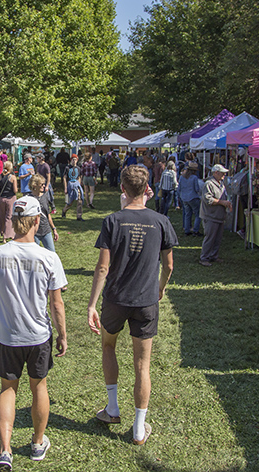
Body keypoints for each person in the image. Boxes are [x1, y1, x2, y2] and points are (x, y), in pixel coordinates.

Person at [86, 165, 176, 446]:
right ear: (147, 188)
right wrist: (160, 288)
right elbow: (169, 265)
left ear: (122, 189)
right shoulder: (161, 221)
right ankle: (138, 428)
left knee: (108, 347)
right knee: (142, 364)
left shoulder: (113, 220)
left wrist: (91, 304)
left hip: (115, 299)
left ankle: (112, 408)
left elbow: (103, 268)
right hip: (146, 300)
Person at [0, 196, 67, 471]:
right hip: (38, 336)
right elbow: (56, 303)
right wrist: (63, 335)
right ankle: (37, 442)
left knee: (8, 389)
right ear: (37, 221)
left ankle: (5, 450)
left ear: (14, 221)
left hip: (7, 336)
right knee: (38, 387)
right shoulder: (49, 257)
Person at [198, 164, 232, 266]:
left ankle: (213, 256)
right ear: (215, 173)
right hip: (210, 215)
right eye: (222, 173)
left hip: (219, 215)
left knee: (217, 238)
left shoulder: (221, 184)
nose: (224, 175)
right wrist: (222, 202)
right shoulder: (209, 184)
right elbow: (208, 199)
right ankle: (204, 258)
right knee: (210, 238)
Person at [29, 174, 58, 252]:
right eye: (41, 184)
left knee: (52, 254)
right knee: (34, 256)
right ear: (35, 185)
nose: (44, 186)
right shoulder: (29, 199)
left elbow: (48, 214)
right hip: (34, 232)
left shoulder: (45, 196)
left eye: (44, 184)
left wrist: (54, 229)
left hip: (46, 230)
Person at [178, 162, 202, 236]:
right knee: (198, 214)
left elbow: (179, 188)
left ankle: (187, 230)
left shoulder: (182, 177)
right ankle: (195, 230)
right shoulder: (194, 178)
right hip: (193, 197)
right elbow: (197, 189)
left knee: (187, 214)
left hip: (184, 198)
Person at [0, 161, 18, 244]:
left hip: (2, 198)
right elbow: (15, 190)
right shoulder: (12, 177)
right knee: (9, 217)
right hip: (10, 198)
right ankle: (7, 235)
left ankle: (2, 231)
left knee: (1, 216)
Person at [61, 155, 83, 221]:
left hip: (76, 185)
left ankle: (79, 216)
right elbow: (64, 178)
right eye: (73, 159)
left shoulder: (78, 168)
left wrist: (79, 184)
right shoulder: (67, 168)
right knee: (70, 202)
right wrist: (65, 188)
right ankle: (64, 211)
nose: (74, 161)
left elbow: (79, 177)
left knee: (79, 200)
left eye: (75, 159)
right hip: (70, 185)